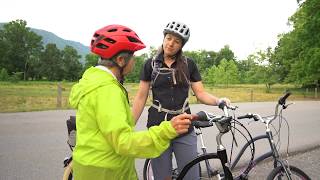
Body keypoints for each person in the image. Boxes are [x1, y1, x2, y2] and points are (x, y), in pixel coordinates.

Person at [69, 24, 194, 180]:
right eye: (133, 56)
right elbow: (124, 142)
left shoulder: (90, 82)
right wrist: (168, 129)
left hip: (89, 166)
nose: (134, 61)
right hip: (108, 172)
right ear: (121, 60)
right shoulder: (108, 90)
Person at [132, 21, 231, 180]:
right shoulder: (150, 64)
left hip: (185, 125)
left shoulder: (188, 64)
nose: (171, 43)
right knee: (163, 176)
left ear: (181, 45)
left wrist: (219, 101)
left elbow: (200, 93)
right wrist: (129, 124)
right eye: (169, 38)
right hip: (158, 126)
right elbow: (141, 97)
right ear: (164, 38)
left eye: (176, 41)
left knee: (191, 174)